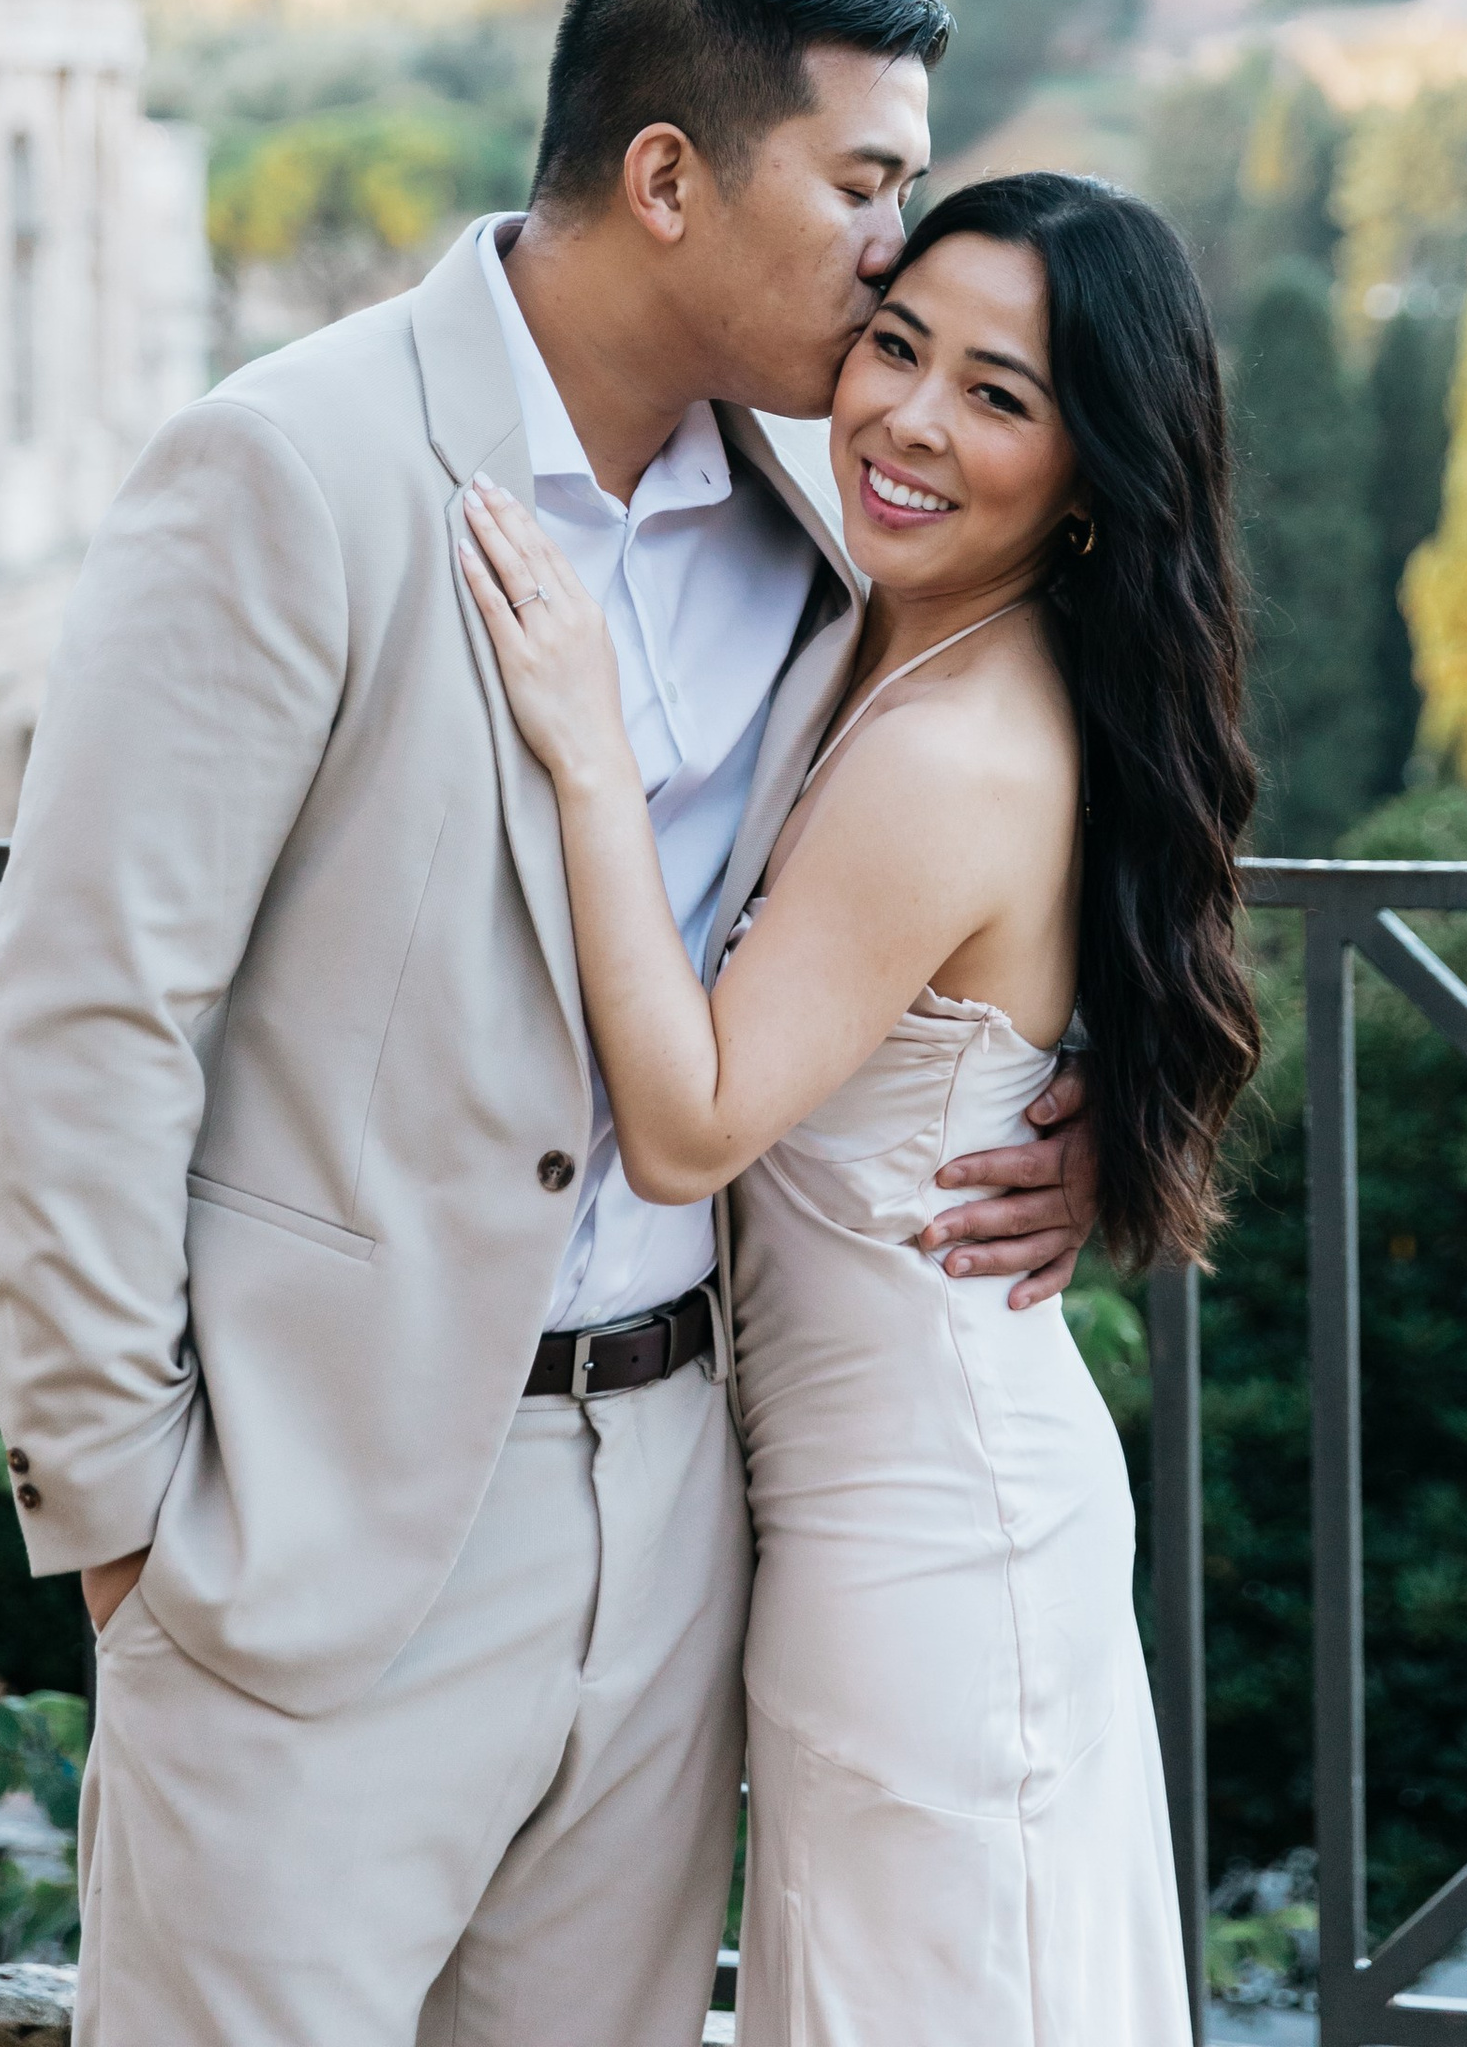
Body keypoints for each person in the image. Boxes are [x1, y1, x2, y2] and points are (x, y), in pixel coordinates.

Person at [0, 0, 1103, 2047]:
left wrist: (1087, 1106)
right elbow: (88, 1015)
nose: (893, 252)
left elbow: (1016, 791)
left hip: (684, 1511)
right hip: (313, 1531)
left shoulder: (810, 507)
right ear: (669, 176)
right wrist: (125, 1534)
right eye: (862, 189)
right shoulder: (285, 466)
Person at [459, 165, 1260, 2045]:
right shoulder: (885, 626)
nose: (909, 420)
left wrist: (585, 745)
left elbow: (688, 1122)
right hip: (848, 1509)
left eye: (1001, 396)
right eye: (896, 347)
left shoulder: (959, 745)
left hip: (932, 1543)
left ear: (1093, 474)